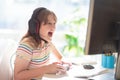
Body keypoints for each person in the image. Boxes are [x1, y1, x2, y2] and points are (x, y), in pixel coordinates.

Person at [14, 7, 71, 80]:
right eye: (49, 23)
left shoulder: (47, 42)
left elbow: (60, 58)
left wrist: (63, 64)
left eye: (54, 23)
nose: (53, 28)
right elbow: (17, 76)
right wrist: (47, 69)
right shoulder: (27, 46)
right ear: (36, 26)